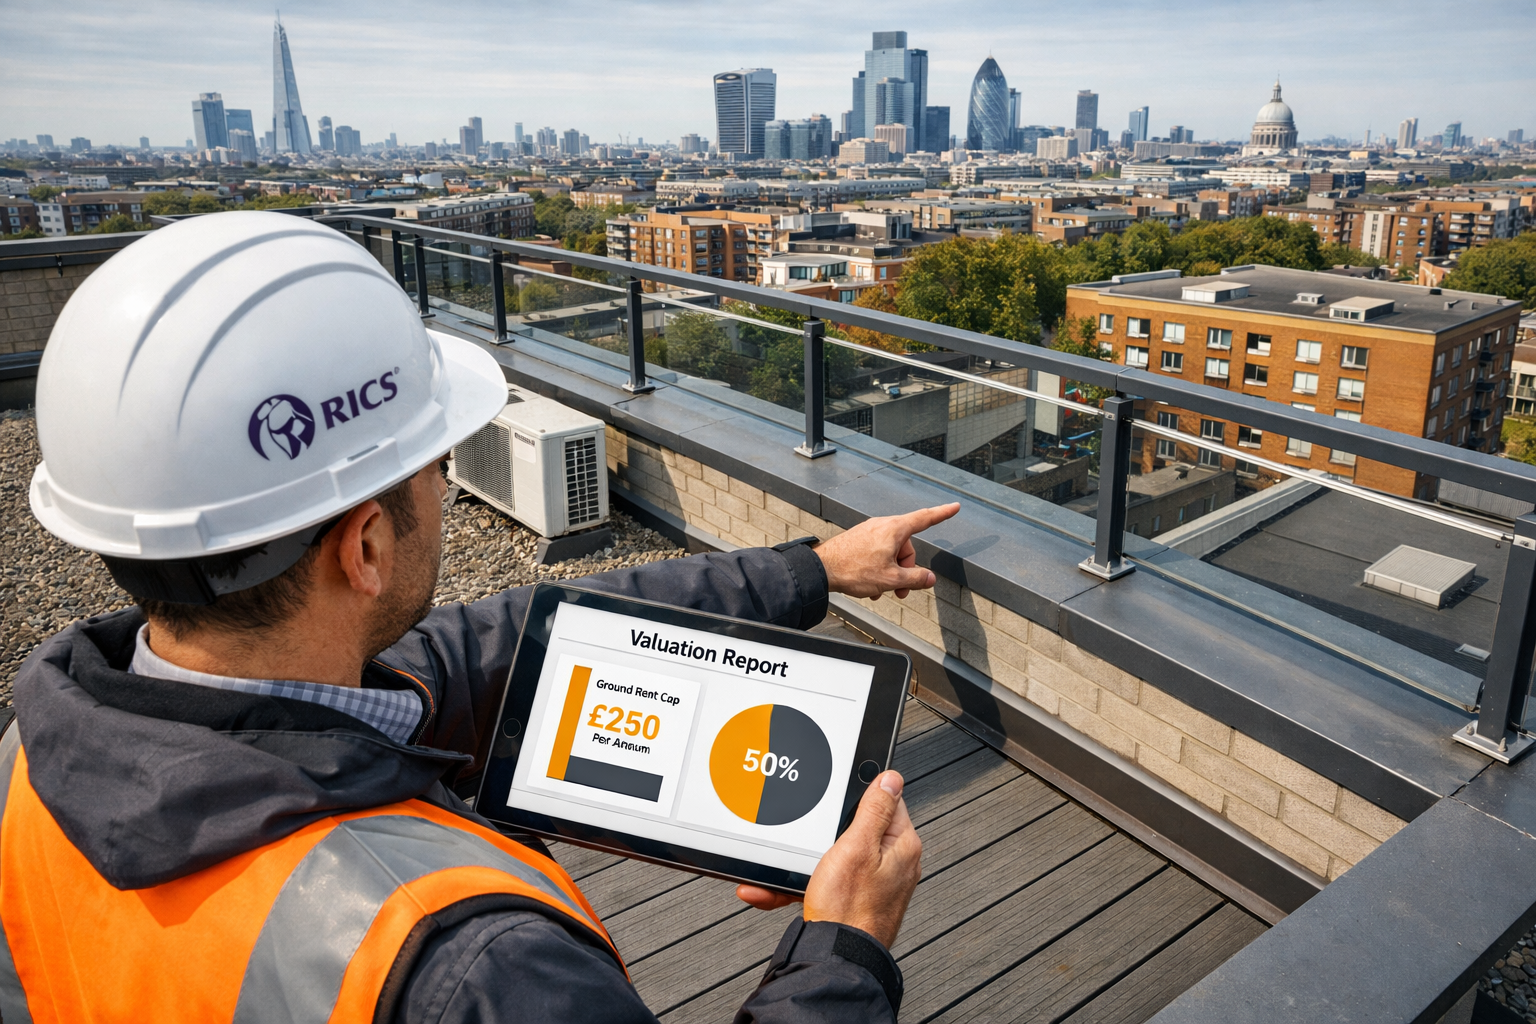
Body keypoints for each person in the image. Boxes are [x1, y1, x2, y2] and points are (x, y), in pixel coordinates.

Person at [0, 212, 960, 1023]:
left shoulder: (33, 761)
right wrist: (845, 949)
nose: (448, 489)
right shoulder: (477, 967)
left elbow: (526, 630)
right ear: (365, 549)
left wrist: (814, 571)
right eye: (434, 465)